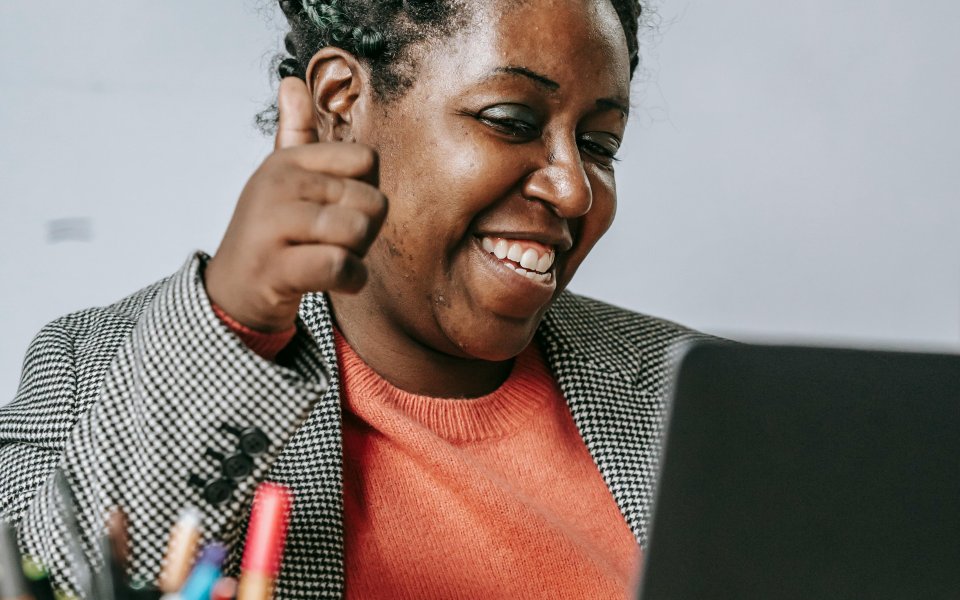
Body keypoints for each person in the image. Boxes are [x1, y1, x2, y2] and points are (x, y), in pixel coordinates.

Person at [0, 0, 706, 597]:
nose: (574, 188)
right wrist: (234, 329)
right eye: (511, 120)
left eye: (600, 143)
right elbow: (46, 575)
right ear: (342, 102)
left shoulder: (706, 397)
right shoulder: (90, 369)